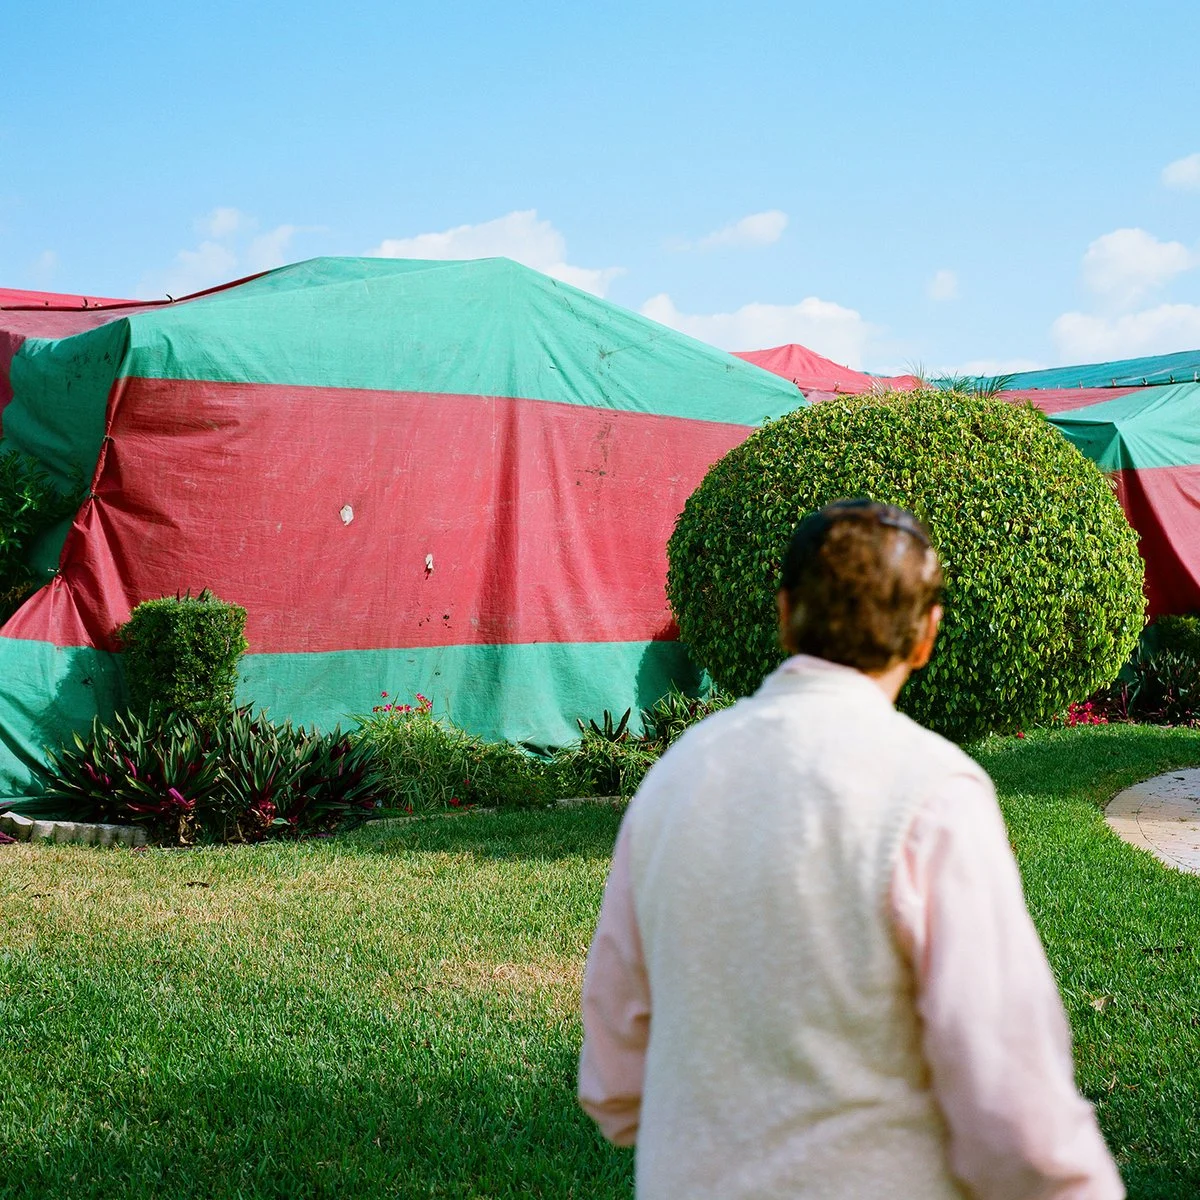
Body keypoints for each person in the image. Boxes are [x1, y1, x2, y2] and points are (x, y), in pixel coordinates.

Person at [578, 499, 1124, 1200]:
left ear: (784, 614)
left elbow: (615, 1068)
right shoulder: (933, 791)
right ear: (927, 635)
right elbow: (1008, 1091)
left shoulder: (677, 774)